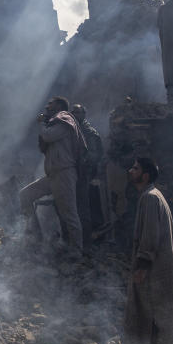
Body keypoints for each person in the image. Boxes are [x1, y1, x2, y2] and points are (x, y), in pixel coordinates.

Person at [124, 157, 173, 344]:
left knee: (158, 312)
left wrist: (143, 265)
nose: (130, 171)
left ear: (145, 175)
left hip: (156, 271)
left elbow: (150, 234)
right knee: (154, 314)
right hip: (158, 268)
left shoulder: (150, 198)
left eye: (135, 169)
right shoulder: (151, 196)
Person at [19, 97, 86, 250]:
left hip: (64, 174)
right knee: (25, 195)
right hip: (53, 175)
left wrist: (42, 123)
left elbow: (48, 136)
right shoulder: (54, 123)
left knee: (69, 214)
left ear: (59, 107)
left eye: (51, 104)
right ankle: (35, 237)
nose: (47, 107)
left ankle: (77, 252)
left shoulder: (65, 119)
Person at [71, 104, 105, 244]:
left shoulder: (89, 132)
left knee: (84, 208)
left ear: (84, 115)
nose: (75, 115)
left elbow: (95, 155)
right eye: (73, 112)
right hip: (74, 174)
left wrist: (82, 162)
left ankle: (87, 241)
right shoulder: (73, 130)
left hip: (85, 175)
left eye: (78, 112)